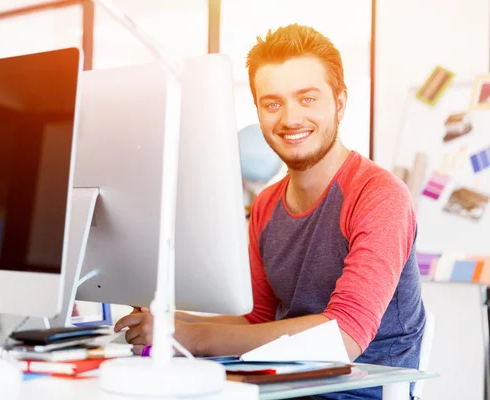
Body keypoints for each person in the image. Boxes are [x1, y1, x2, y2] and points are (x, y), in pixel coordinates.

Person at [115, 23, 426, 399]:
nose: (290, 119)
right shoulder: (265, 205)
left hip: (362, 392)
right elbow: (256, 318)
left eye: (308, 99)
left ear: (340, 103)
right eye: (272, 103)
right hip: (280, 386)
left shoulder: (379, 195)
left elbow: (343, 337)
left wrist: (192, 335)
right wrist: (170, 322)